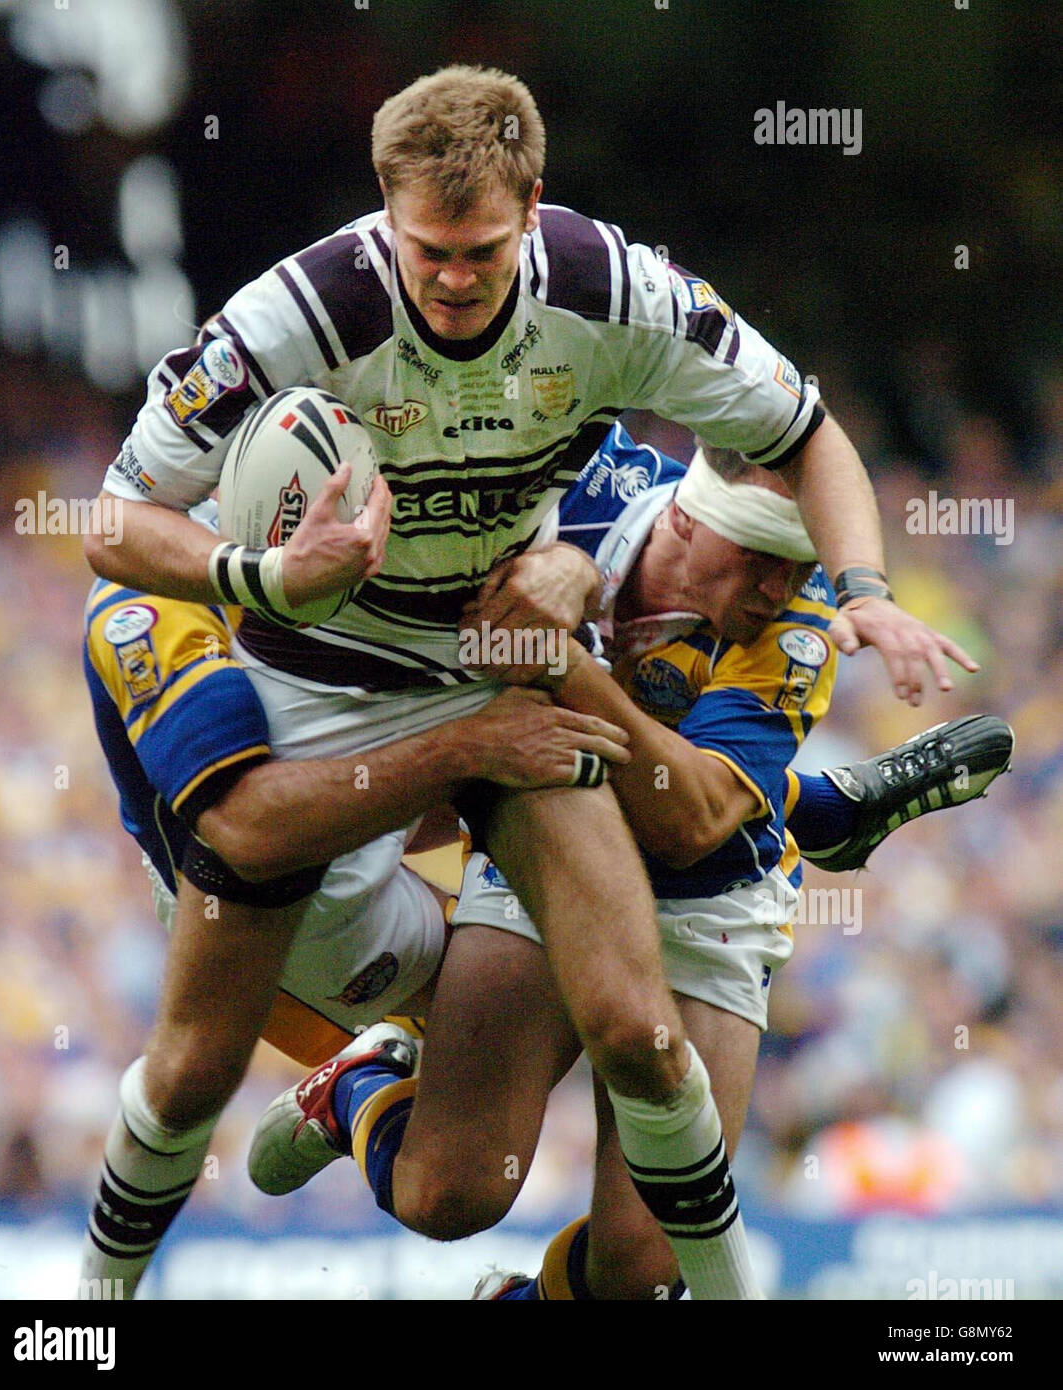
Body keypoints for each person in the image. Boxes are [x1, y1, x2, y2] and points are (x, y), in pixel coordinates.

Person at [82, 65, 977, 1301]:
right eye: (427, 252)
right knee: (246, 1097)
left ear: (535, 208)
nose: (453, 280)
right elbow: (115, 524)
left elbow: (809, 434)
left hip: (490, 676)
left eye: (484, 252)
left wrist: (866, 585)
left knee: (637, 1039)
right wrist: (266, 574)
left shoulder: (619, 296)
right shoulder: (296, 312)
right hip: (314, 677)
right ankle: (91, 1306)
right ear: (383, 215)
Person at [248, 423, 1013, 1300]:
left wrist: (563, 665)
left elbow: (691, 820)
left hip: (710, 889)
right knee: (448, 1195)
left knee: (642, 1276)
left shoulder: (797, 628)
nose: (778, 588)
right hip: (550, 852)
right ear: (687, 522)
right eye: (761, 557)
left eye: (799, 566)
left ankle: (801, 808)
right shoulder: (563, 484)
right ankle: (354, 1085)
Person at [77, 494, 630, 1296]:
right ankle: (359, 1090)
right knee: (455, 1173)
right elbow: (253, 827)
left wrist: (579, 569)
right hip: (292, 894)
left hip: (387, 792)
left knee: (626, 1001)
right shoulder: (151, 609)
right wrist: (473, 748)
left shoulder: (408, 500)